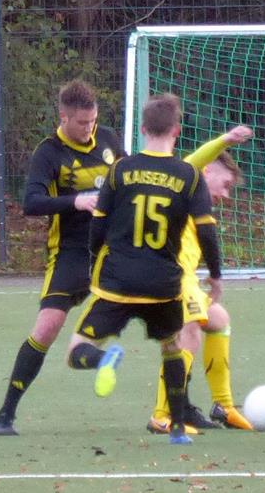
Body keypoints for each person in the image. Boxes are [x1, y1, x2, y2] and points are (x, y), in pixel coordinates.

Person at [65, 92, 222, 445]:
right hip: (163, 284)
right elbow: (207, 233)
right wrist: (215, 276)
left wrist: (96, 259)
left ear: (142, 129)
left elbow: (98, 227)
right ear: (176, 131)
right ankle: (177, 428)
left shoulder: (120, 169)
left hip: (118, 282)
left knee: (76, 350)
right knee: (173, 347)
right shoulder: (189, 176)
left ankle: (103, 359)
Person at [0, 79, 122, 436]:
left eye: (93, 121)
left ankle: (175, 410)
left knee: (168, 305)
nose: (89, 128)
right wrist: (75, 201)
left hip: (110, 251)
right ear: (64, 117)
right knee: (47, 327)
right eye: (82, 122)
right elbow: (31, 203)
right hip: (70, 252)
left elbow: (128, 179)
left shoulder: (109, 140)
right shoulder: (49, 153)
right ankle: (6, 414)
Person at [146, 132, 256, 435]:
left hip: (183, 279)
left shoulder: (197, 205)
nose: (226, 195)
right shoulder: (185, 181)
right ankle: (161, 415)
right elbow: (195, 160)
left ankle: (224, 405)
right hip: (168, 276)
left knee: (218, 320)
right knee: (190, 332)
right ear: (207, 171)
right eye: (226, 184)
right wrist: (226, 140)